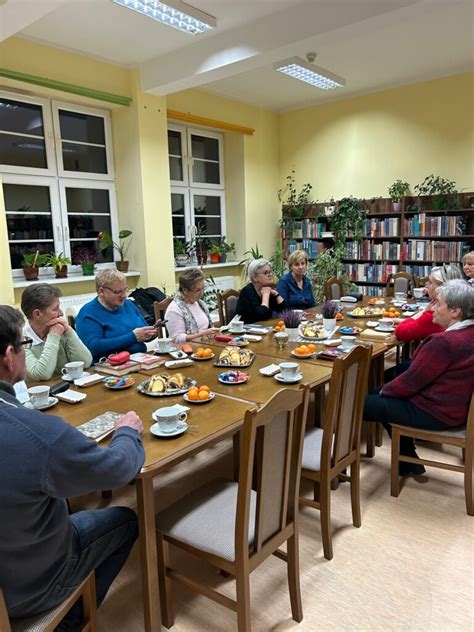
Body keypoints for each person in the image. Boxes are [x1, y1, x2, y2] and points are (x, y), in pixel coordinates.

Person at [0, 305, 145, 630]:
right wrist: (126, 431)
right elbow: (119, 470)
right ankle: (71, 620)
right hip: (25, 589)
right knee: (125, 520)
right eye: (24, 345)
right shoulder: (35, 433)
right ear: (10, 355)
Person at [364, 280, 474, 476]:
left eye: (438, 303)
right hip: (456, 407)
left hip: (435, 411)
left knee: (360, 404)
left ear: (455, 311)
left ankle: (336, 461)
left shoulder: (444, 342)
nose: (432, 308)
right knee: (378, 393)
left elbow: (410, 382)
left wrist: (384, 390)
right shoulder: (468, 333)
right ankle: (408, 462)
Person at [76, 269, 158, 362]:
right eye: (117, 292)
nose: (124, 295)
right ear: (101, 291)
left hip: (139, 359)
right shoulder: (88, 313)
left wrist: (151, 332)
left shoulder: (128, 304)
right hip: (108, 365)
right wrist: (132, 337)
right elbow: (93, 348)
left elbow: (142, 334)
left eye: (125, 290)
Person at [20, 283, 93, 380]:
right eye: (55, 309)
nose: (61, 313)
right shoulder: (21, 339)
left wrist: (69, 331)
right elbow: (41, 374)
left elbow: (85, 362)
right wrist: (53, 336)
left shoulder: (59, 329)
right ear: (37, 314)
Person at [395, 264, 463, 342]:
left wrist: (425, 311)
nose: (426, 285)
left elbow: (400, 332)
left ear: (441, 287)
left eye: (430, 283)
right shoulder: (461, 305)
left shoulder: (436, 314)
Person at [165, 268, 219, 344]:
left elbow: (208, 328)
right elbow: (176, 339)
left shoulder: (200, 303)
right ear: (185, 290)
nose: (202, 293)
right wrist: (202, 334)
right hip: (186, 350)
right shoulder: (174, 309)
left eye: (203, 289)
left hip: (205, 344)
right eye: (197, 290)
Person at [235, 258, 288, 323]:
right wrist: (265, 295)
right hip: (245, 330)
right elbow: (262, 316)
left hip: (263, 329)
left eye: (270, 271)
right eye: (266, 273)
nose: (270, 275)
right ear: (255, 277)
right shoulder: (248, 291)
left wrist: (276, 295)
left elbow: (287, 313)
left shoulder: (268, 289)